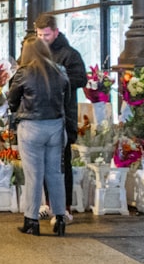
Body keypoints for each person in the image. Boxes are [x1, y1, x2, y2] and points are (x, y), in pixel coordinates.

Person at [7, 36, 76, 236]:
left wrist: (17, 109)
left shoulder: (24, 72)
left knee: (34, 175)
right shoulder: (60, 70)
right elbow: (68, 98)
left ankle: (31, 221)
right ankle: (60, 218)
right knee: (56, 173)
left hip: (31, 128)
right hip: (56, 127)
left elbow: (12, 99)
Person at [33, 14, 86, 223]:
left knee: (62, 164)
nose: (43, 38)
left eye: (46, 34)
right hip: (40, 116)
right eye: (39, 35)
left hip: (63, 117)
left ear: (55, 32)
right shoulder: (35, 52)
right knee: (44, 164)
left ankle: (64, 208)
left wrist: (54, 78)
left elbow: (81, 78)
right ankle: (47, 204)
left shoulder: (70, 54)